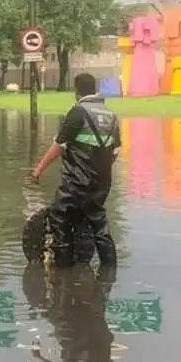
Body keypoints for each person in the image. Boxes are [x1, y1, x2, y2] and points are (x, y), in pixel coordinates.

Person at [29, 73, 120, 268]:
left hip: (77, 181)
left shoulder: (78, 112)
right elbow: (115, 152)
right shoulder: (111, 116)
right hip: (102, 181)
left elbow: (59, 145)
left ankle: (64, 266)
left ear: (76, 91)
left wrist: (38, 170)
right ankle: (109, 270)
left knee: (58, 215)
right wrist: (99, 171)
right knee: (99, 223)